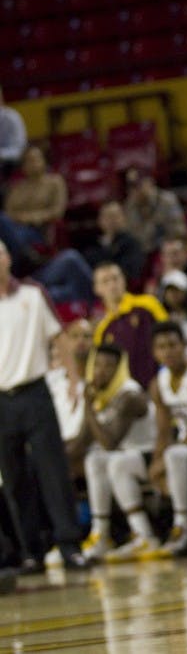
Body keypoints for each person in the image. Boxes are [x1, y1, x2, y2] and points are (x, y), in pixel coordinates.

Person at [0, 239, 88, 573]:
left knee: (54, 471)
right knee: (14, 477)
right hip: (1, 400)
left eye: (1, 254)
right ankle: (31, 551)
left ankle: (69, 545)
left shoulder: (32, 295)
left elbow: (59, 338)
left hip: (35, 392)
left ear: (9, 258)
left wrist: (74, 378)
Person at [74, 343, 157, 563]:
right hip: (126, 458)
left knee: (114, 461)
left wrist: (89, 406)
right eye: (97, 365)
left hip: (149, 454)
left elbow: (110, 442)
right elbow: (82, 442)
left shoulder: (129, 394)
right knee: (93, 459)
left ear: (120, 369)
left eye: (109, 366)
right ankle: (100, 533)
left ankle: (144, 535)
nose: (101, 371)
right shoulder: (100, 394)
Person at [144, 321, 187, 558]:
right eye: (161, 347)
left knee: (175, 455)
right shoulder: (157, 383)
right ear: (154, 352)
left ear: (184, 346)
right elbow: (163, 431)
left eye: (173, 345)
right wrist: (155, 462)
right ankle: (146, 535)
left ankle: (182, 526)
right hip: (185, 446)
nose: (168, 351)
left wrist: (166, 458)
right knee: (169, 458)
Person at [93, 261, 169, 388]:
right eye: (105, 281)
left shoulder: (148, 304)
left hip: (159, 384)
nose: (112, 285)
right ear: (97, 289)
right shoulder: (102, 329)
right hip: (126, 394)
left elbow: (169, 335)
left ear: (124, 280)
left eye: (115, 278)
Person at [0, 146, 66, 274]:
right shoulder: (17, 188)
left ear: (44, 161)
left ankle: (14, 271)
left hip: (39, 231)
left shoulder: (55, 182)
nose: (32, 164)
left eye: (36, 159)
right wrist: (21, 219)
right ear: (23, 166)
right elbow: (8, 213)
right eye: (28, 161)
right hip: (14, 228)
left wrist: (30, 218)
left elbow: (57, 211)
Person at [122, 168, 184, 255]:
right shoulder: (129, 205)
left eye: (137, 184)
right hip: (142, 253)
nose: (133, 189)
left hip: (166, 251)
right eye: (130, 185)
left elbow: (178, 232)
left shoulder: (167, 201)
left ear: (149, 182)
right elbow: (132, 236)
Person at [83, 200, 147, 284]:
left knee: (70, 258)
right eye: (107, 216)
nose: (111, 220)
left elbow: (130, 272)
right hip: (92, 284)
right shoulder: (93, 243)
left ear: (123, 218)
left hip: (114, 285)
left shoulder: (132, 243)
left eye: (115, 216)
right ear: (99, 220)